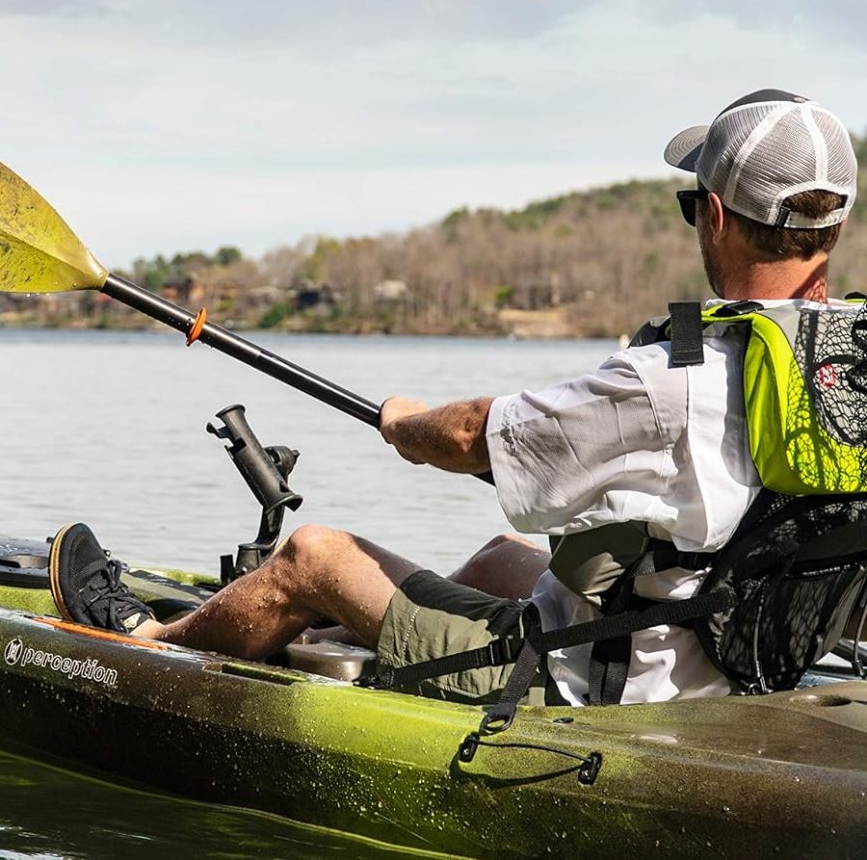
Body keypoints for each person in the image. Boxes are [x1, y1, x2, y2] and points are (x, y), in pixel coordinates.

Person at [48, 88, 860, 707]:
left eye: (691, 205)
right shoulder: (848, 369)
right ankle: (321, 628)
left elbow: (472, 434)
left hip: (600, 681)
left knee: (312, 556)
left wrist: (406, 423)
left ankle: (150, 642)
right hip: (722, 653)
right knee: (501, 557)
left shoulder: (672, 376)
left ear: (713, 214)